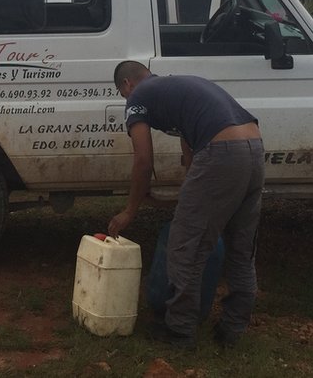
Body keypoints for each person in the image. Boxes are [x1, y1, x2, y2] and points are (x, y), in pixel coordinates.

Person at [108, 60, 265, 348]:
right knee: (242, 247)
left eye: (123, 94)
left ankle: (179, 330)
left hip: (222, 151)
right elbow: (189, 144)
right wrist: (192, 191)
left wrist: (130, 210)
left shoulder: (139, 96)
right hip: (254, 148)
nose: (126, 100)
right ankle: (233, 328)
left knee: (185, 246)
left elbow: (143, 159)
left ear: (127, 85)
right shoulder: (172, 86)